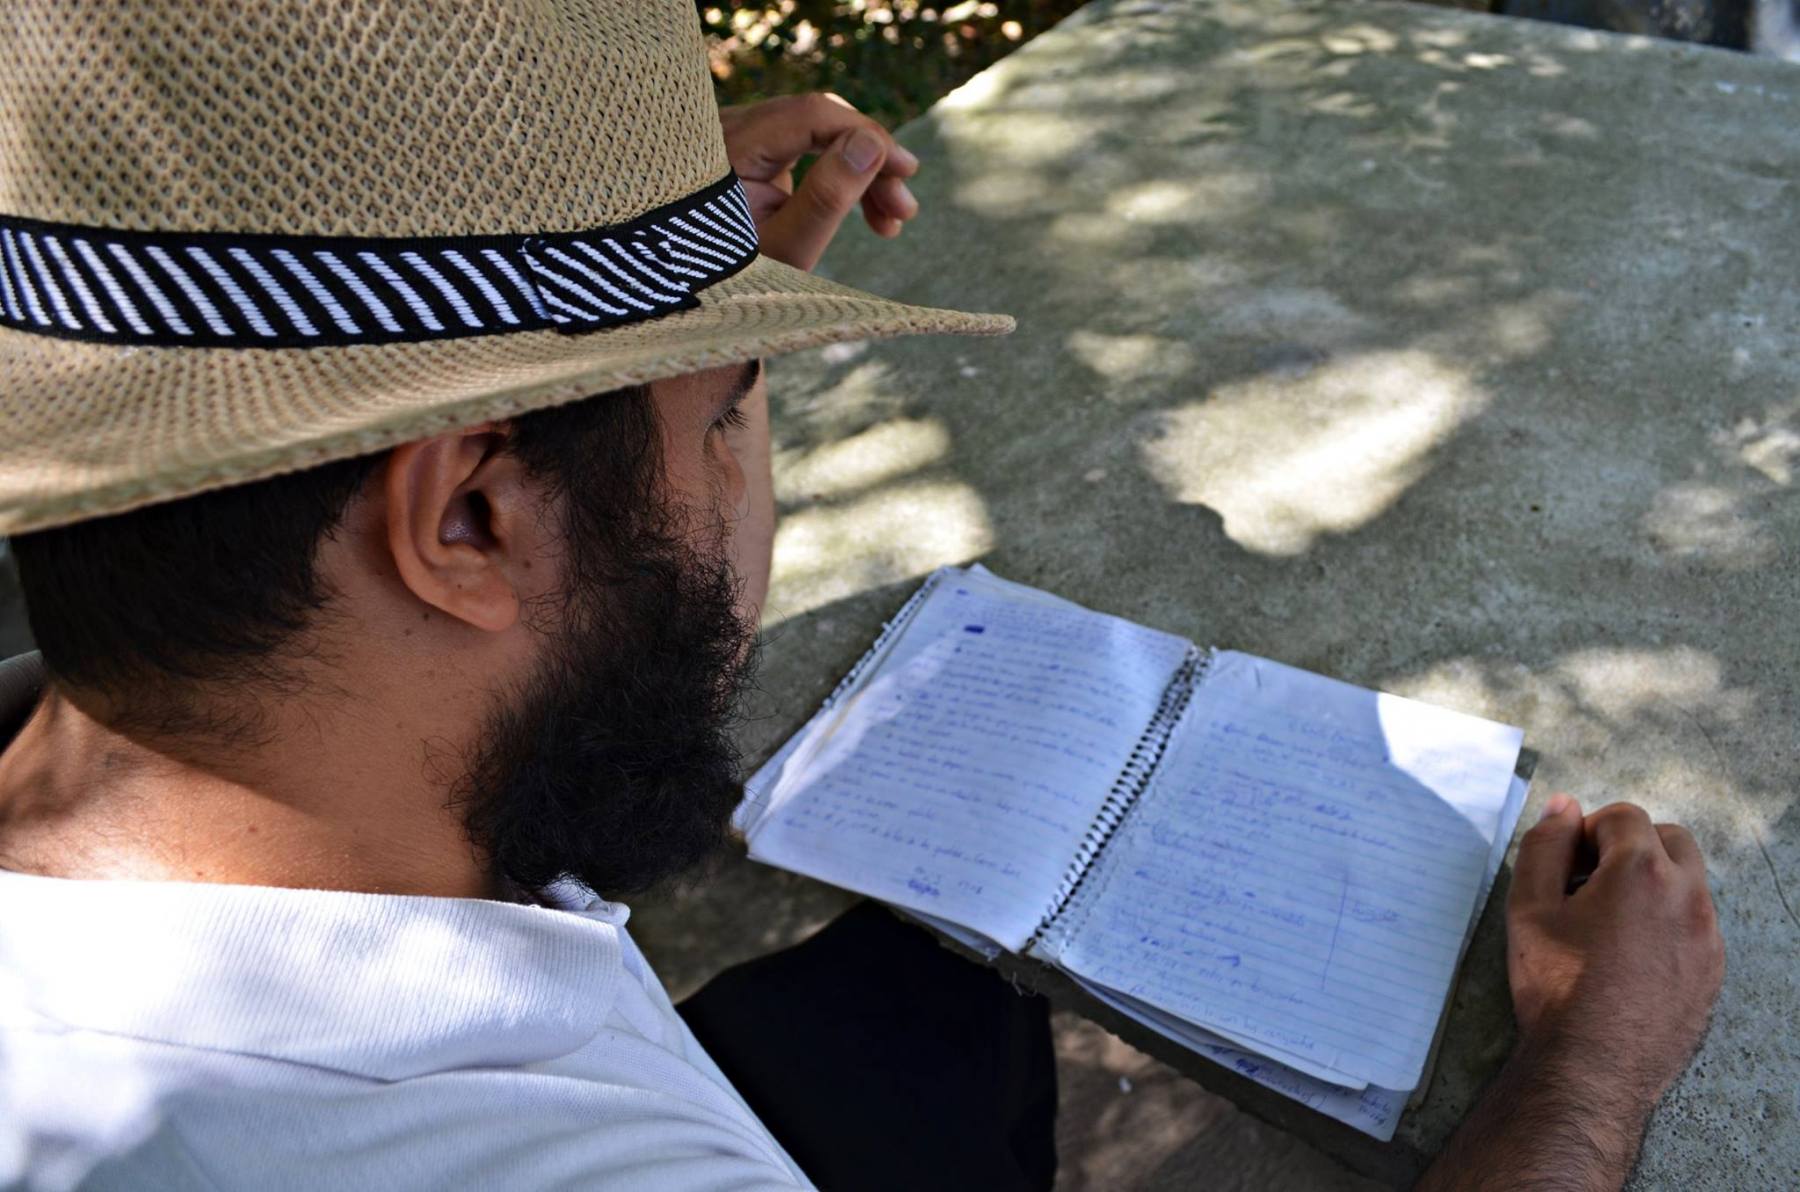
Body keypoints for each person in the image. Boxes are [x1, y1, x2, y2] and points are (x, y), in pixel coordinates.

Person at [0, 2, 1720, 1191]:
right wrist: (1590, 1066)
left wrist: (635, 322)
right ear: (470, 519)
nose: (754, 472)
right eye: (739, 408)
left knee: (929, 1013)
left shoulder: (143, 711)